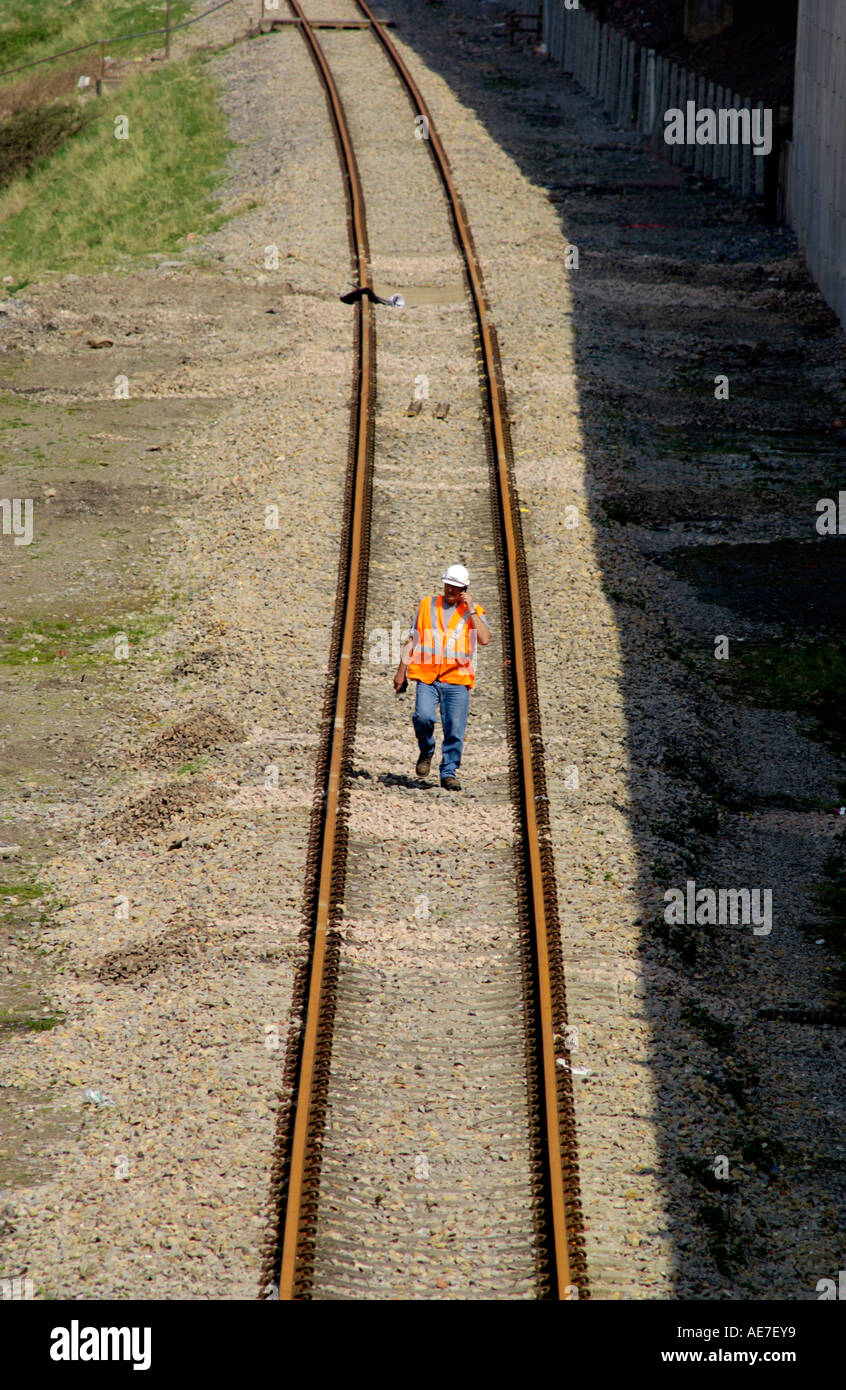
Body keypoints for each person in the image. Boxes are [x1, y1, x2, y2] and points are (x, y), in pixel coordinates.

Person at [393, 564, 491, 791]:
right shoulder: (427, 605)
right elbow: (413, 639)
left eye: (455, 587)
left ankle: (448, 772)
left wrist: (472, 610)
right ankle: (426, 751)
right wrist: (401, 672)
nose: (450, 590)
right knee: (423, 717)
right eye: (448, 585)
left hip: (457, 679)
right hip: (427, 676)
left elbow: (485, 639)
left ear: (464, 589)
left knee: (454, 729)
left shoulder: (473, 610)